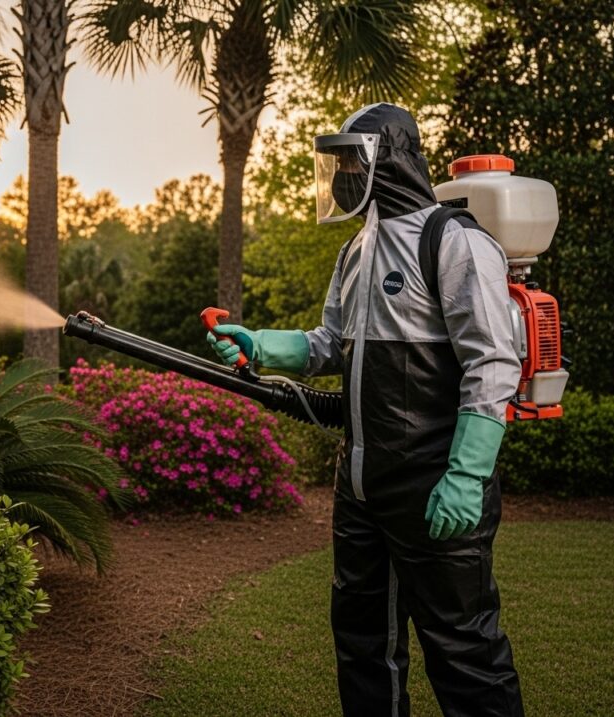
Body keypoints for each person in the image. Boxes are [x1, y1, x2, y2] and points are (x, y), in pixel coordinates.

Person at [207, 103, 525, 717]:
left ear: (391, 161)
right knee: (362, 645)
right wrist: (261, 344)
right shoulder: (356, 251)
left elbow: (492, 364)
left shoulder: (453, 242)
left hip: (434, 486)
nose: (343, 175)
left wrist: (466, 476)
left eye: (353, 161)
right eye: (339, 163)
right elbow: (332, 343)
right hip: (359, 488)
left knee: (463, 650)